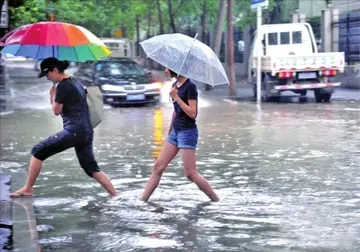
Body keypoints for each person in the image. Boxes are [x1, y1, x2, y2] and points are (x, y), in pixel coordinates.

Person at [10, 57, 117, 197]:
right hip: (87, 131)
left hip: (74, 130)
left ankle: (28, 188)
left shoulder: (62, 86)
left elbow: (56, 111)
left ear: (55, 70)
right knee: (91, 168)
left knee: (37, 151)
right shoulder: (76, 82)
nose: (47, 78)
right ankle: (115, 195)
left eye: (47, 74)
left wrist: (52, 96)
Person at [140, 68, 219, 202]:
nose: (165, 70)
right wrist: (170, 133)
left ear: (175, 69)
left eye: (167, 68)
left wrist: (176, 97)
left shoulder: (190, 86)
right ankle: (142, 201)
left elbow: (193, 113)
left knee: (191, 174)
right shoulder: (174, 85)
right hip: (175, 132)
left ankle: (216, 201)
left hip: (187, 132)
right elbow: (176, 112)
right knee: (158, 167)